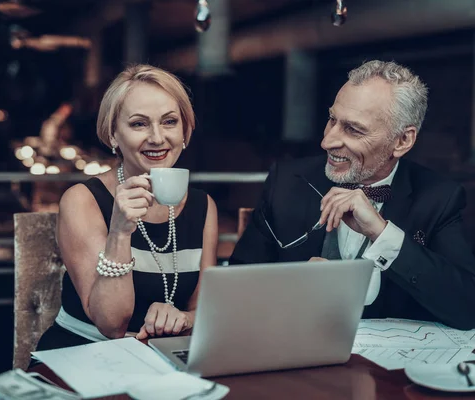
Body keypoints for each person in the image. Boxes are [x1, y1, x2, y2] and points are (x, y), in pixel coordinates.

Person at [230, 60, 475, 330]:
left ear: (402, 141)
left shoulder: (439, 198)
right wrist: (294, 288)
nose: (328, 141)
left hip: (386, 367)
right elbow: (236, 284)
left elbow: (467, 307)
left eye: (353, 129)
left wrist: (383, 234)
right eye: (332, 119)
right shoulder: (286, 181)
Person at [35, 64, 219, 351]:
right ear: (113, 136)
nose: (157, 138)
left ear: (185, 130)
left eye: (169, 121)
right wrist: (119, 231)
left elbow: (205, 310)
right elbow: (111, 324)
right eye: (139, 124)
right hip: (84, 353)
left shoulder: (203, 206)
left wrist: (182, 318)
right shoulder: (82, 199)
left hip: (163, 359)